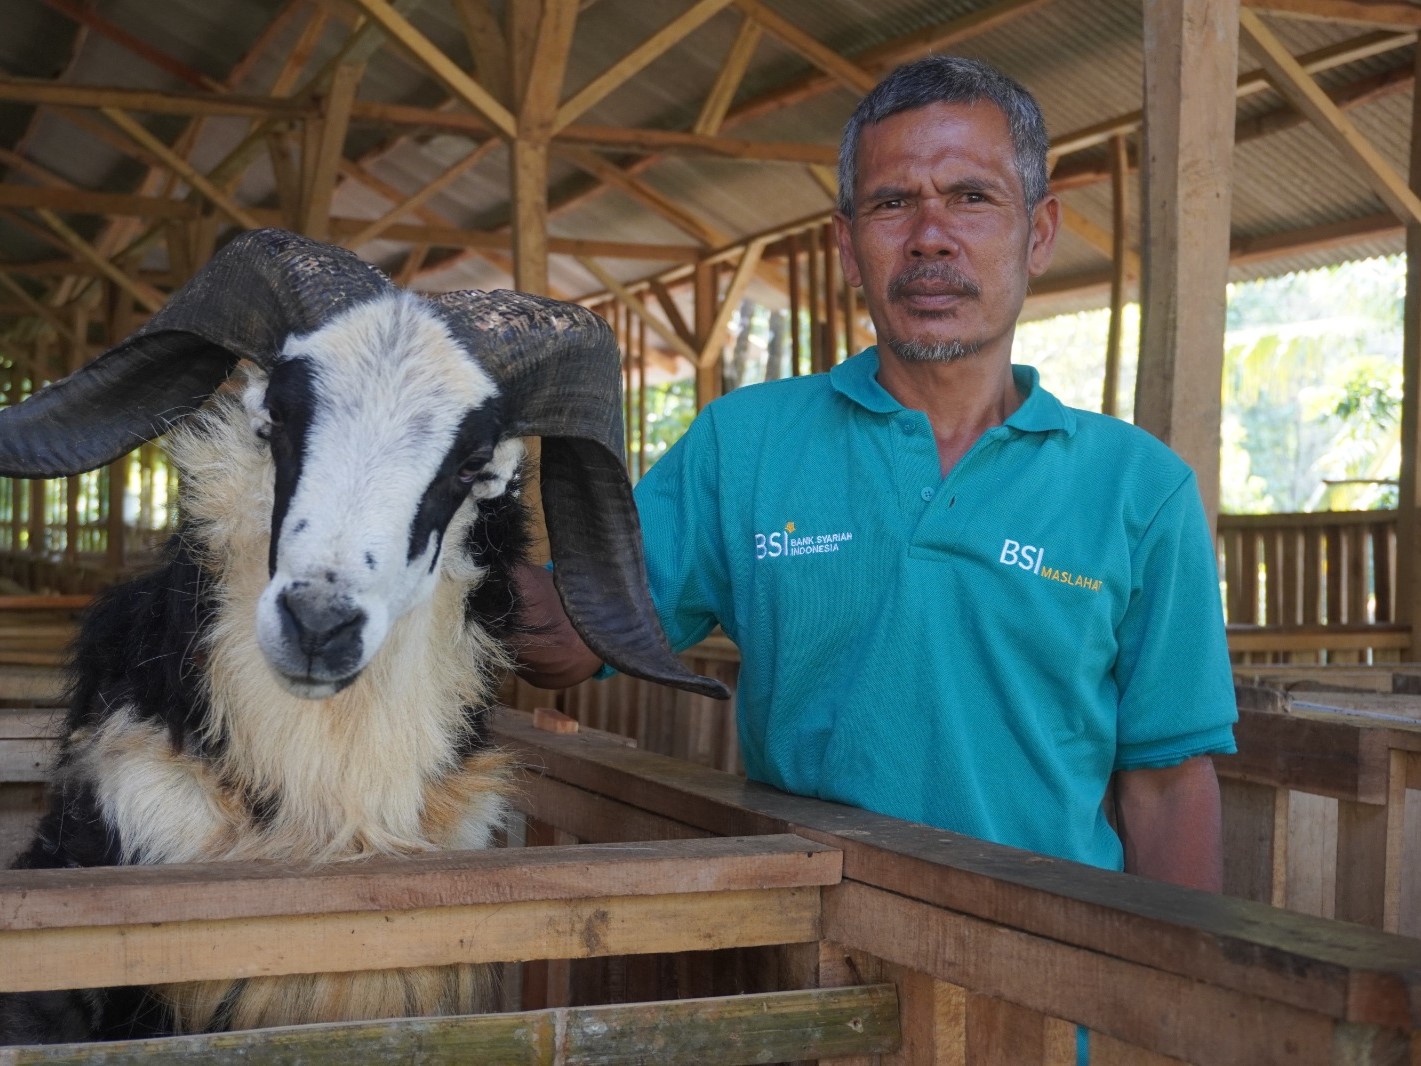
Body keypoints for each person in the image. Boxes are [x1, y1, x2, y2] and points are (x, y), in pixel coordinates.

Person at [516, 55, 1236, 892]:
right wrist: (425, 555)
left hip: (1046, 981)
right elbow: (566, 641)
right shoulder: (742, 446)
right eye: (892, 203)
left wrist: (1160, 1010)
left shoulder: (1138, 490)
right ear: (848, 247)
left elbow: (1168, 783)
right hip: (811, 960)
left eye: (971, 197)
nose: (930, 236)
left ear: (1037, 234)